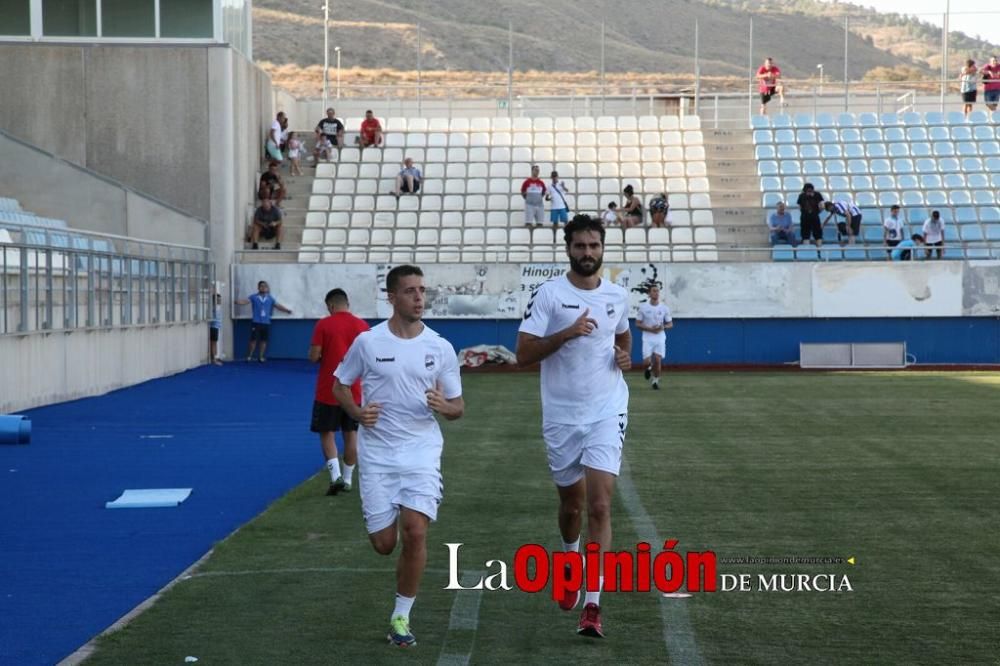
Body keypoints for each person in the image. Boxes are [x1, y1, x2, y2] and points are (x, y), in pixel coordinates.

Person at [332, 265, 464, 648]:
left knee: (415, 531)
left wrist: (445, 406)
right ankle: (398, 601)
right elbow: (339, 385)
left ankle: (401, 617)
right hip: (377, 457)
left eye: (422, 290)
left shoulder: (440, 347)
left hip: (422, 454)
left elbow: (458, 407)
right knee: (384, 544)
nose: (419, 298)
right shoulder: (368, 342)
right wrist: (357, 413)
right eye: (410, 291)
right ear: (391, 297)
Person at [515, 214, 631, 639]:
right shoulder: (548, 294)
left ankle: (593, 605)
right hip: (562, 416)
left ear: (603, 249)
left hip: (606, 409)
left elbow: (623, 337)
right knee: (572, 507)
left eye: (594, 246)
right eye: (580, 246)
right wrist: (567, 333)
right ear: (568, 249)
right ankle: (568, 561)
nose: (587, 253)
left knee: (600, 506)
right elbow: (523, 354)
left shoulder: (618, 295)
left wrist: (624, 358)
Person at [308, 288, 370, 496]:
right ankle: (349, 478)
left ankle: (335, 477)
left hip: (329, 388)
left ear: (330, 305)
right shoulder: (362, 326)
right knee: (351, 434)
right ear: (347, 303)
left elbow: (314, 355)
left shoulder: (323, 324)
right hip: (354, 389)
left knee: (327, 432)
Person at [235, 281, 292, 362]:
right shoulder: (254, 297)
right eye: (261, 286)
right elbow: (245, 301)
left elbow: (278, 305)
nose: (263, 288)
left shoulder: (270, 298)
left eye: (265, 286)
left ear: (267, 288)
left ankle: (261, 357)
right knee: (253, 340)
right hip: (256, 322)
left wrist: (287, 310)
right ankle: (249, 356)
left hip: (266, 322)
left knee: (264, 340)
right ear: (258, 288)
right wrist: (237, 302)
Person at [636, 283, 673, 391]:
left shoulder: (664, 308)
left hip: (660, 338)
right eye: (653, 291)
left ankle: (655, 381)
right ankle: (648, 368)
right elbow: (638, 323)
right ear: (649, 293)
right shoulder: (643, 307)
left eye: (657, 291)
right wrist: (650, 329)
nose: (656, 293)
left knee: (657, 359)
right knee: (646, 361)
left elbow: (670, 324)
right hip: (647, 337)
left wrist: (662, 327)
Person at [796, 183, 825, 250]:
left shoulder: (802, 195)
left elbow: (799, 207)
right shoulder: (816, 194)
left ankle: (808, 251)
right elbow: (822, 206)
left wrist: (815, 213)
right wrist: (817, 212)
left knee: (808, 234)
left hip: (806, 217)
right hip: (811, 216)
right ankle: (817, 250)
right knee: (815, 234)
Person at [209, 293, 223, 366]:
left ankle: (215, 356)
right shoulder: (213, 308)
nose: (219, 301)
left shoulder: (218, 307)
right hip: (213, 327)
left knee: (215, 343)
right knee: (213, 343)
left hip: (217, 327)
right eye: (217, 300)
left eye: (220, 299)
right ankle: (213, 359)